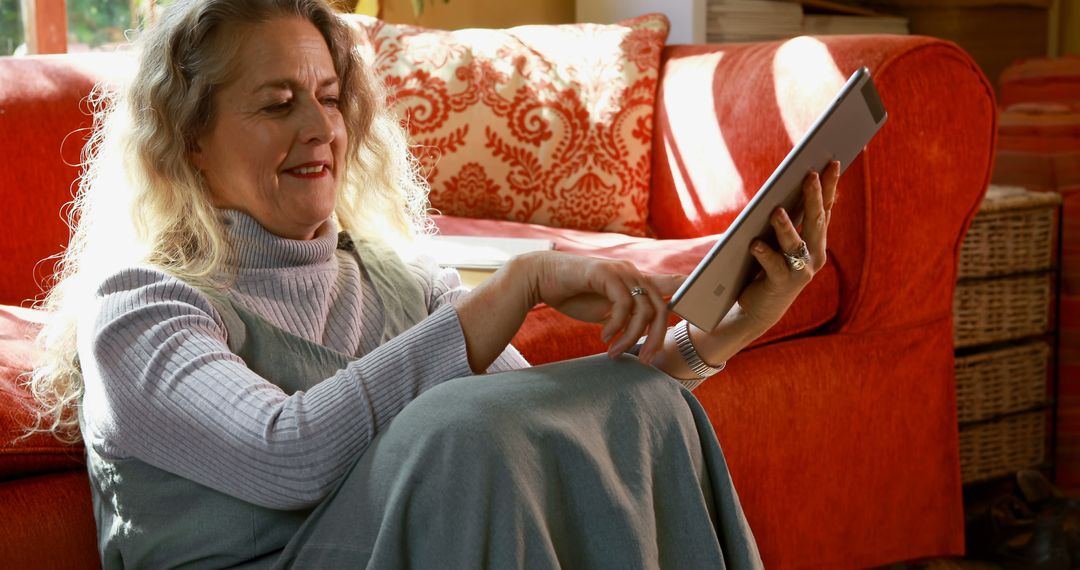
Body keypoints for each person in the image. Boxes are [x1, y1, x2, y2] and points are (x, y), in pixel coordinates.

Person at [27, 0, 840, 568]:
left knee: (616, 411)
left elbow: (553, 433)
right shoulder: (142, 309)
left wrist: (729, 327)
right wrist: (519, 286)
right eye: (277, 104)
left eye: (330, 97)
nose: (320, 129)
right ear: (190, 141)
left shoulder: (398, 283)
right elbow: (288, 455)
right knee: (456, 431)